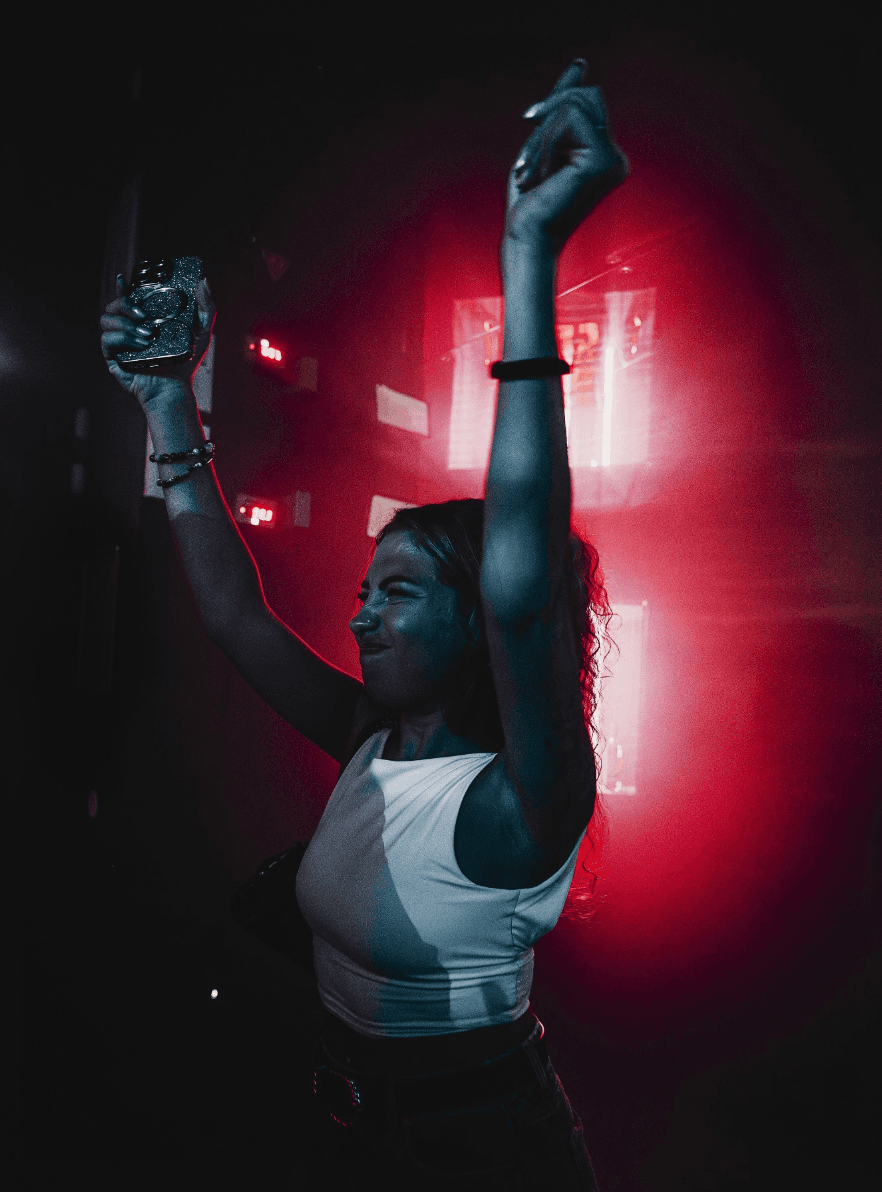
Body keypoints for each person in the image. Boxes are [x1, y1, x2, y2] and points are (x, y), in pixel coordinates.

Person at [101, 57, 627, 1190]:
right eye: (364, 585)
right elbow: (238, 619)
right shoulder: (374, 741)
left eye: (397, 592)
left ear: (475, 618)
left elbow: (529, 596)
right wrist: (166, 404)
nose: (359, 610)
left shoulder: (518, 805)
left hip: (485, 1153)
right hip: (348, 1131)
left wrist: (526, 262)